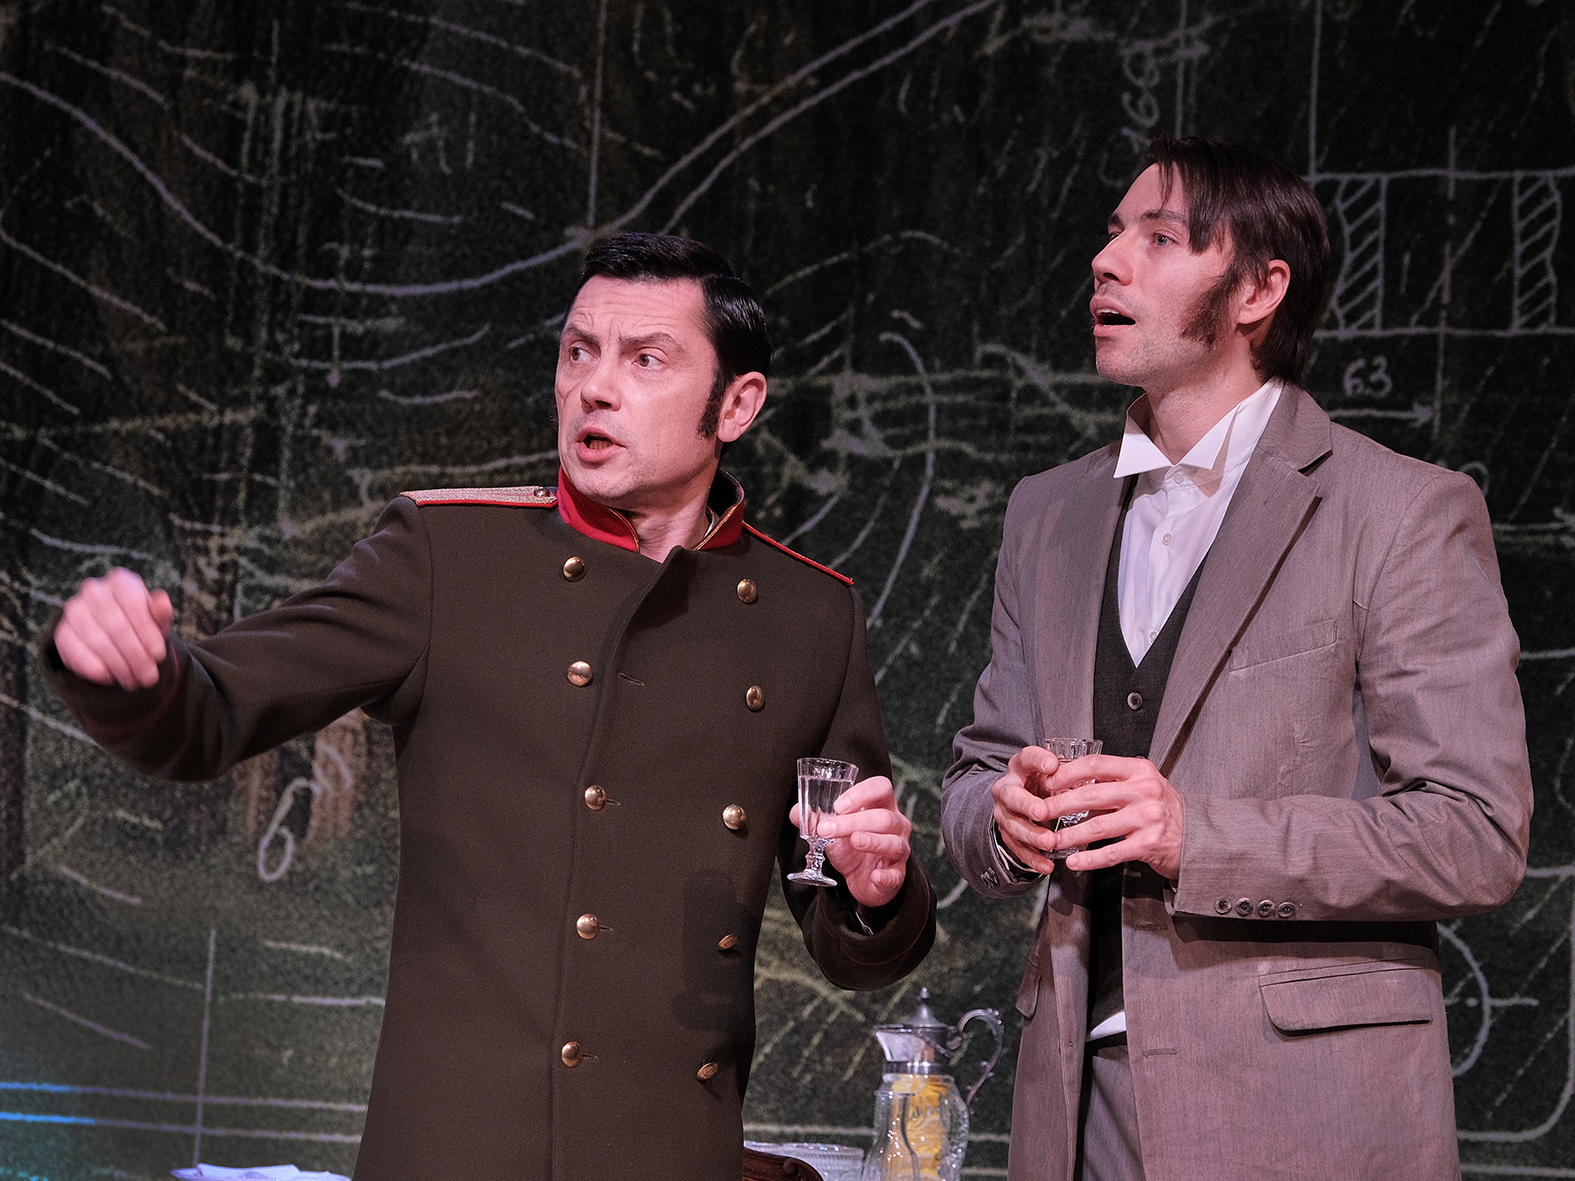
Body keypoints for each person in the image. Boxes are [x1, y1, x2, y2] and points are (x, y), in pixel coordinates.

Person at [41, 233, 936, 1180]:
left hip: (669, 1148)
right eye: (578, 351)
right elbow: (215, 706)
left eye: (645, 360)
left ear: (738, 404)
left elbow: (853, 941)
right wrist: (130, 674)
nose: (594, 387)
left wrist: (874, 889)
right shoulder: (448, 556)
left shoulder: (809, 615)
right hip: (459, 1147)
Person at [942, 136, 1532, 1180]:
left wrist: (1196, 836)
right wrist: (1003, 818)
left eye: (1160, 238)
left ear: (1259, 289)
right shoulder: (1046, 513)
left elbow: (1474, 831)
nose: (1107, 260)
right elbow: (976, 773)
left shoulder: (1398, 510)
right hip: (1074, 1104)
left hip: (1301, 1112)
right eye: (1112, 233)